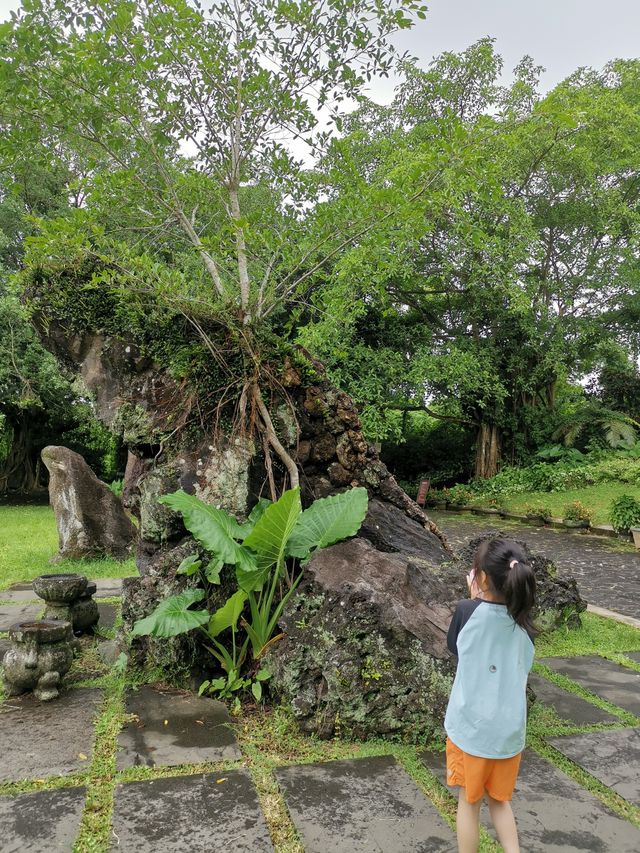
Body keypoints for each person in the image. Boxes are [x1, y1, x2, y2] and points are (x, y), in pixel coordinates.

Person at [444, 537, 537, 853]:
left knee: (469, 803)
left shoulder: (466, 610)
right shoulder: (523, 623)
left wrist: (474, 598)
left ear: (480, 577)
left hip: (470, 731)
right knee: (500, 802)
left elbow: (456, 648)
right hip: (508, 735)